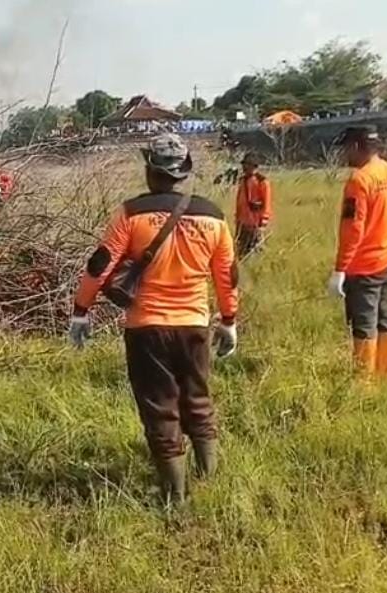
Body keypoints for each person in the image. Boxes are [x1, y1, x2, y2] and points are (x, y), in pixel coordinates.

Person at [69, 134, 239, 505]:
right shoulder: (213, 216)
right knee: (198, 397)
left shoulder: (131, 214)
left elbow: (100, 266)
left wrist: (81, 311)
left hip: (146, 328)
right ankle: (207, 480)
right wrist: (229, 318)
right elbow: (227, 273)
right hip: (194, 324)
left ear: (150, 170)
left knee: (159, 404)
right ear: (184, 173)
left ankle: (174, 496)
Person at [327, 126, 387, 380]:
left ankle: (364, 385)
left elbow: (353, 229)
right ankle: (385, 375)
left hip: (365, 266)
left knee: (363, 324)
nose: (345, 155)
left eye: (347, 148)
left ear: (358, 147)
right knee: (386, 316)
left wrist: (340, 269)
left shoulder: (359, 180)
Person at [234, 153, 273, 258]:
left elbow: (267, 203)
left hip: (255, 224)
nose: (244, 167)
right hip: (243, 223)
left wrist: (263, 222)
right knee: (241, 253)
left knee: (256, 252)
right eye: (244, 164)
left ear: (254, 166)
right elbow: (239, 202)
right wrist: (237, 220)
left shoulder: (262, 182)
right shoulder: (242, 181)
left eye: (247, 164)